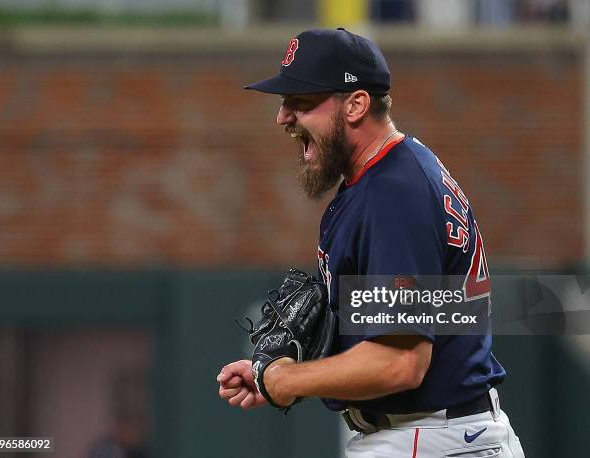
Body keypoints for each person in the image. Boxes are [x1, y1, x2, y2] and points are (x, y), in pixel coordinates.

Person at [217, 28, 525, 457]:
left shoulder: (393, 194)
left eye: (301, 102)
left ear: (357, 104)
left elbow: (401, 363)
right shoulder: (393, 174)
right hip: (435, 435)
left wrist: (286, 380)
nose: (283, 117)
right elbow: (437, 317)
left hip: (431, 437)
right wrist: (283, 368)